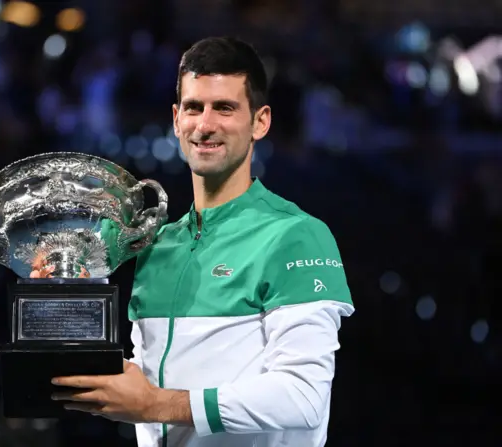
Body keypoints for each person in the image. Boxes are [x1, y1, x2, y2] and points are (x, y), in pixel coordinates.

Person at [42, 36, 355, 447]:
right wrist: (64, 295)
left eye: (224, 108)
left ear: (260, 121)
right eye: (194, 107)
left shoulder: (295, 236)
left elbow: (302, 397)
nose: (205, 125)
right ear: (176, 119)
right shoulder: (156, 245)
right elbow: (148, 383)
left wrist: (155, 404)